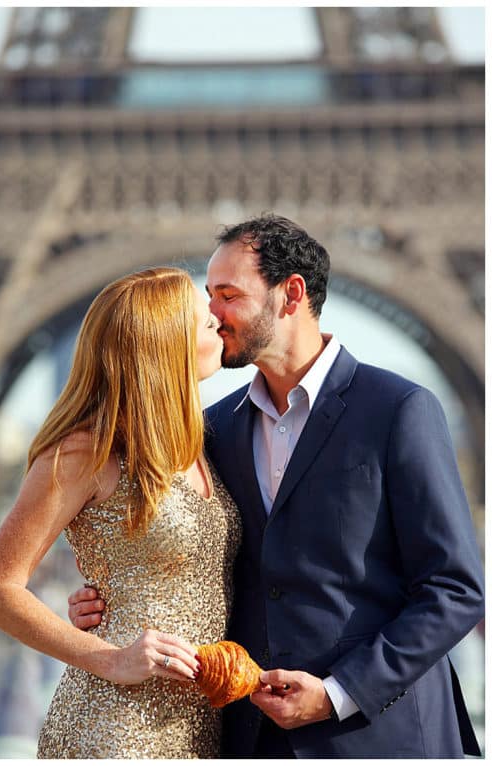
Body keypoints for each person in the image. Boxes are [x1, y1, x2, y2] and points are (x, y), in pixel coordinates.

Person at [67, 214, 484, 757]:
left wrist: (339, 693)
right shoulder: (212, 431)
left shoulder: (400, 411)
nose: (211, 315)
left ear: (291, 295)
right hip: (251, 735)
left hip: (380, 734)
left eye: (227, 295)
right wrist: (110, 598)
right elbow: (189, 560)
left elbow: (455, 589)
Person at [0, 268, 242, 758]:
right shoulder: (87, 452)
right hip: (117, 727)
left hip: (202, 725)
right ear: (164, 341)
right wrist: (110, 659)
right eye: (199, 315)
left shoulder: (204, 443)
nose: (215, 317)